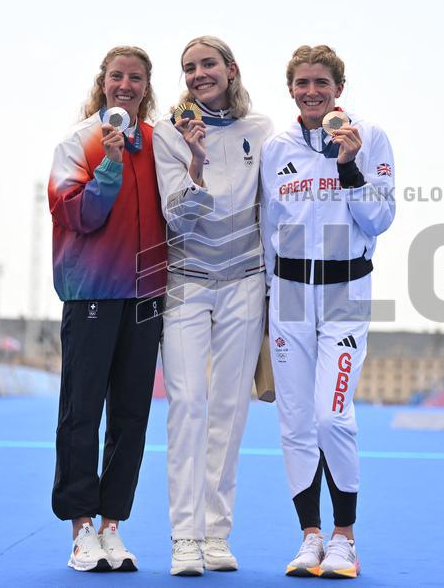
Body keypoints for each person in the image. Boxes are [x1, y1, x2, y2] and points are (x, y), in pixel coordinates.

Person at [260, 45, 396, 579]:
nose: (312, 92)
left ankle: (345, 538)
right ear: (290, 88)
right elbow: (268, 229)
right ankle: (309, 537)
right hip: (289, 294)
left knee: (330, 415)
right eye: (301, 83)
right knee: (294, 422)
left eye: (321, 82)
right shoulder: (276, 148)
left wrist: (349, 167)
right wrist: (269, 299)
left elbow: (380, 220)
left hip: (345, 292)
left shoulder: (370, 138)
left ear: (339, 86)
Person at [152, 35, 273, 576]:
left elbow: (272, 211)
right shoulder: (168, 133)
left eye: (207, 65)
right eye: (189, 68)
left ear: (231, 69)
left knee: (230, 407)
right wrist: (196, 159)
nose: (198, 74)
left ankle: (217, 532)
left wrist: (275, 293)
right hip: (186, 281)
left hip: (246, 280)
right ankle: (184, 536)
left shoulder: (262, 131)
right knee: (187, 405)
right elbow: (178, 218)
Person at [48, 45, 167, 572]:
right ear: (103, 83)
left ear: (146, 86)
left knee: (131, 416)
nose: (125, 84)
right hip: (92, 292)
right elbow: (77, 215)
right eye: (117, 76)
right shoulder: (80, 142)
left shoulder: (159, 142)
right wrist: (111, 167)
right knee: (82, 413)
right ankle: (80, 530)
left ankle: (112, 526)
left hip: (145, 297)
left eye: (135, 78)